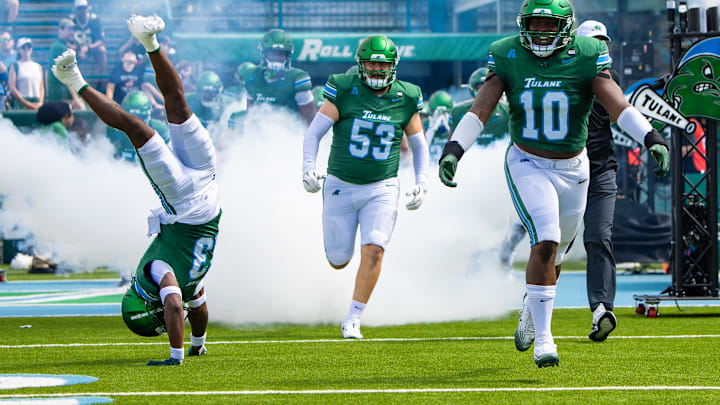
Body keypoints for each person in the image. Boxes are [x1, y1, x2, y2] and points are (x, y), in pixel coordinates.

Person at [438, 0, 669, 368]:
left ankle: (532, 303)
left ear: (565, 26)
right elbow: (481, 107)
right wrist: (454, 148)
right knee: (545, 238)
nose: (541, 32)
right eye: (534, 24)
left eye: (548, 25)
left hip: (575, 167)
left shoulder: (588, 53)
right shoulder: (508, 53)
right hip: (527, 161)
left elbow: (619, 106)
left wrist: (651, 137)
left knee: (556, 253)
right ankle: (545, 339)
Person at [52, 13, 221, 366]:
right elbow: (178, 305)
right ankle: (76, 78)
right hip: (186, 199)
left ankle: (147, 42)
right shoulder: (159, 271)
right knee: (149, 120)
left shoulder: (187, 283)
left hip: (203, 192)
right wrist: (178, 356)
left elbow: (196, 307)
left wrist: (198, 343)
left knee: (160, 114)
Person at [497, 20, 624, 343]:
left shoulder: (606, 77)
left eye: (603, 42)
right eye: (594, 42)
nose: (601, 47)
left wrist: (647, 134)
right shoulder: (554, 76)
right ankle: (533, 306)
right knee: (553, 245)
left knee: (599, 236)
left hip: (599, 170)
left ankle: (601, 309)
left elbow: (621, 111)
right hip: (555, 170)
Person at [302, 34, 429, 339]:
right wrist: (308, 167)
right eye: (370, 63)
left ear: (393, 66)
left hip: (382, 185)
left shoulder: (406, 96)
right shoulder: (345, 89)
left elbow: (419, 144)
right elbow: (313, 133)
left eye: (382, 64)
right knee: (338, 260)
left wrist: (422, 181)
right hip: (340, 185)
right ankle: (344, 289)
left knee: (374, 249)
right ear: (359, 65)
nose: (376, 69)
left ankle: (353, 318)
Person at [244, 28, 316, 124]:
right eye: (273, 53)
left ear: (287, 56)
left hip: (289, 134)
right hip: (258, 133)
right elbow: (250, 113)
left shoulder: (298, 78)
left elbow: (309, 119)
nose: (277, 57)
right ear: (264, 54)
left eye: (281, 53)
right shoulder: (252, 75)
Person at [107, 90, 170, 162]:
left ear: (147, 115)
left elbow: (170, 157)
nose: (135, 122)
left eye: (139, 117)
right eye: (131, 117)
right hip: (121, 168)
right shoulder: (115, 129)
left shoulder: (159, 128)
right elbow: (107, 154)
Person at [47, 18, 83, 109]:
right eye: (69, 29)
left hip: (59, 95)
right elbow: (66, 74)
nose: (72, 33)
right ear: (61, 30)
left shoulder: (59, 46)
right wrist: (75, 98)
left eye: (73, 30)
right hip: (62, 97)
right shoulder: (60, 48)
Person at [71, 0, 107, 76]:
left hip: (92, 48)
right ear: (75, 9)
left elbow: (101, 40)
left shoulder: (94, 19)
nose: (82, 11)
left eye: (84, 8)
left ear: (88, 8)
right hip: (76, 49)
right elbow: (65, 40)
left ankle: (100, 79)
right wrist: (78, 48)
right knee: (67, 52)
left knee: (102, 50)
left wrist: (89, 47)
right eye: (80, 8)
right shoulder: (71, 20)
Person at [8, 37, 44, 110]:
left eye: (29, 47)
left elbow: (41, 87)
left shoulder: (38, 67)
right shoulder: (15, 66)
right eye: (23, 47)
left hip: (36, 102)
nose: (26, 49)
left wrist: (40, 102)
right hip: (21, 103)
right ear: (19, 50)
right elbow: (12, 87)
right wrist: (25, 103)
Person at [0, 30, 16, 110]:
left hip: (16, 95)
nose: (5, 42)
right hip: (2, 94)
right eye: (2, 40)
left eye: (7, 40)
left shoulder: (19, 56)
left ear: (12, 42)